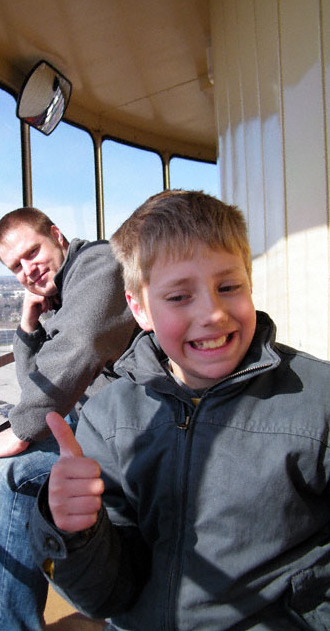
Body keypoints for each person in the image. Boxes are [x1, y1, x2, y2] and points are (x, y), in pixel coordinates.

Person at [29, 190, 330, 630]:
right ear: (139, 309)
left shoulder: (317, 401)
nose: (212, 314)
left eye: (228, 287)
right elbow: (104, 596)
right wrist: (74, 532)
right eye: (178, 297)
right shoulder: (108, 420)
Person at [0, 207, 137, 630]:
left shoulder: (99, 264)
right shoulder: (57, 296)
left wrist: (21, 430)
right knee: (11, 468)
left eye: (32, 253)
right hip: (97, 424)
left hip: (133, 426)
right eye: (16, 267)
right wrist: (28, 325)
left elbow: (79, 345)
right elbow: (36, 386)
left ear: (58, 235)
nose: (27, 270)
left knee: (10, 473)